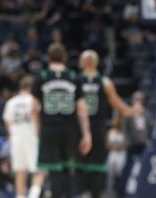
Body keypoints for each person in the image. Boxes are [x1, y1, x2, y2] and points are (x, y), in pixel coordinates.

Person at [30, 42, 91, 198]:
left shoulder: (42, 77)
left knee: (53, 170)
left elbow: (33, 109)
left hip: (49, 128)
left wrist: (37, 129)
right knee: (69, 168)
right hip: (69, 129)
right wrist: (86, 134)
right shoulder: (73, 77)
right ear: (65, 57)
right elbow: (82, 109)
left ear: (48, 58)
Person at [76, 49, 139, 198]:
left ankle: (79, 194)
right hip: (98, 129)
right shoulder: (105, 82)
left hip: (79, 129)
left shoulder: (75, 81)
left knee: (78, 165)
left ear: (82, 63)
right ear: (96, 63)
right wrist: (132, 110)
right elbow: (118, 105)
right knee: (97, 166)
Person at [3, 75, 44, 198]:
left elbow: (7, 121)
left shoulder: (11, 102)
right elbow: (38, 117)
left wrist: (12, 135)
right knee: (39, 170)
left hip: (16, 138)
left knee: (20, 172)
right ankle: (33, 195)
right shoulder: (34, 100)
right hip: (32, 137)